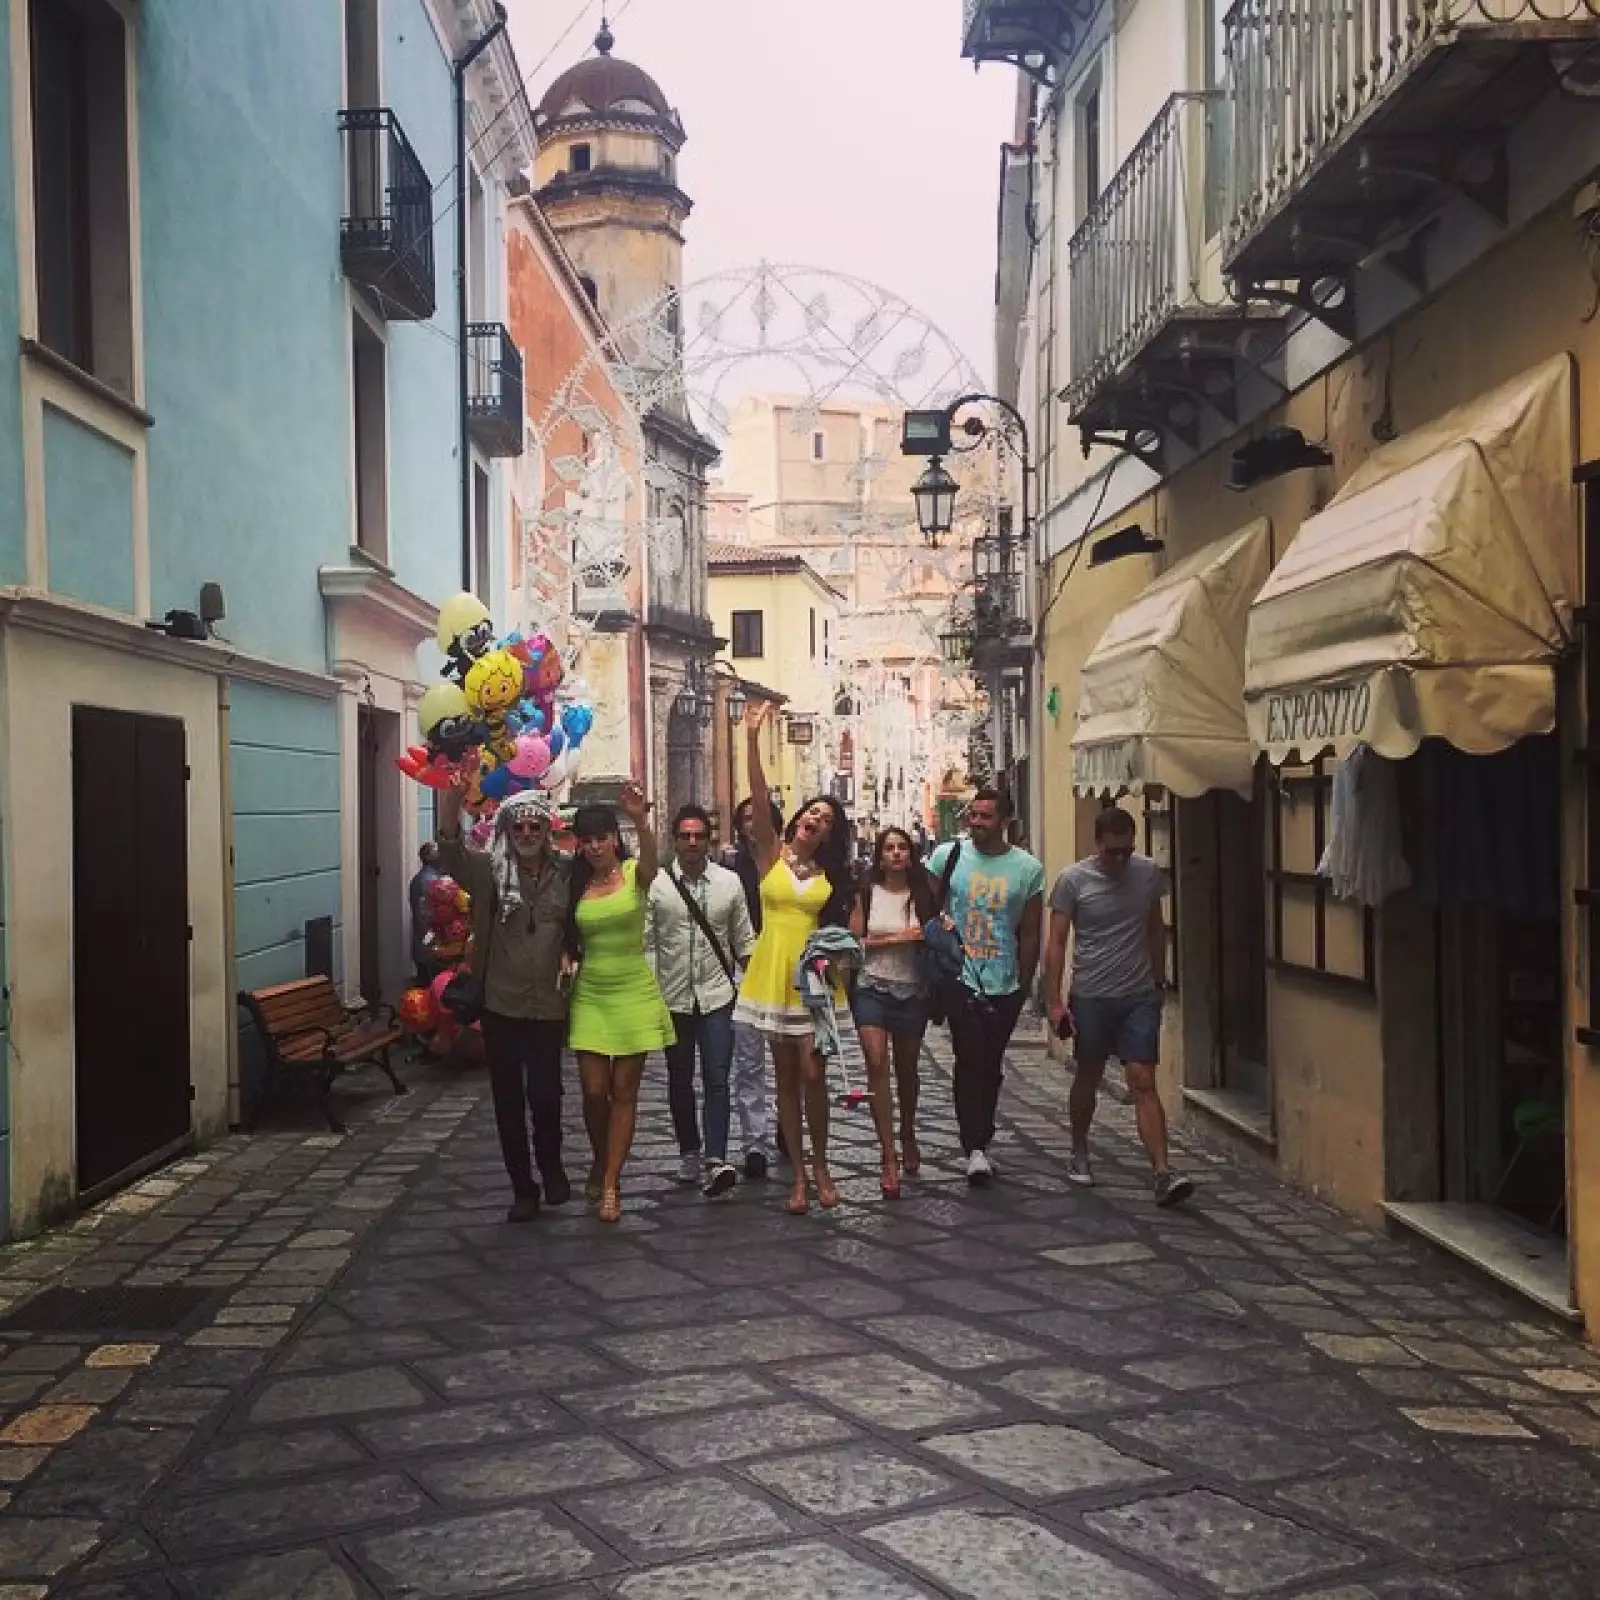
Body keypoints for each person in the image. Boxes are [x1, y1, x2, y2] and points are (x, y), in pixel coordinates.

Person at [732, 700, 855, 1214]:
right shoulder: (769, 857)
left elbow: (843, 932)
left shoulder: (831, 878)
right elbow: (759, 801)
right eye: (810, 813)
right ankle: (799, 1177)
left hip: (813, 976)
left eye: (823, 819)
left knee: (813, 1075)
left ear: (829, 834)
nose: (813, 819)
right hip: (772, 971)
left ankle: (823, 1162)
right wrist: (753, 740)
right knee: (784, 1077)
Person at [1044, 805, 1195, 1208]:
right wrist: (1054, 1001)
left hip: (1138, 995)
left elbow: (1154, 926)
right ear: (1098, 844)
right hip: (1091, 995)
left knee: (1142, 1078)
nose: (1120, 859)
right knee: (1089, 1074)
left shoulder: (1147, 874)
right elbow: (1056, 942)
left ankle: (1163, 1172)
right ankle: (1079, 1148)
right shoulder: (1073, 882)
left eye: (1126, 850)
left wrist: (1160, 979)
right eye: (1113, 852)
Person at [435, 788, 571, 1223]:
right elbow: (452, 851)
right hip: (501, 1005)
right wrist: (452, 795)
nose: (527, 833)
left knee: (547, 1095)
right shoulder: (489, 872)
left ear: (547, 829)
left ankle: (551, 1167)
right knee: (508, 1100)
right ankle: (522, 1188)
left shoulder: (567, 872)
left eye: (535, 825)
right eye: (519, 827)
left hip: (549, 1005)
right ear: (507, 831)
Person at [565, 785, 675, 1224]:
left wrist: (642, 821)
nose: (593, 847)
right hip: (590, 991)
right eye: (586, 840)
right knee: (594, 1093)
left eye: (601, 837)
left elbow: (653, 862)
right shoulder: (575, 882)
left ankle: (611, 1182)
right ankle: (600, 1157)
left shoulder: (634, 874)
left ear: (615, 838)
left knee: (623, 1093)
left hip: (633, 990)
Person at [928, 788, 1044, 1185]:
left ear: (1005, 820)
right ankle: (974, 1145)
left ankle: (982, 1135)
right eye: (972, 815)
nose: (976, 823)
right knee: (970, 1056)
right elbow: (925, 902)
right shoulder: (949, 856)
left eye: (985, 817)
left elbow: (1031, 931)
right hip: (960, 976)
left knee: (991, 1064)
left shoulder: (1027, 869)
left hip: (1004, 981)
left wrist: (1025, 982)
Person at [648, 803, 757, 1199]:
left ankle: (716, 1158)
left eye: (699, 835)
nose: (692, 842)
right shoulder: (658, 885)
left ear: (708, 839)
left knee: (717, 1078)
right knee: (679, 1080)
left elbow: (744, 940)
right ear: (674, 840)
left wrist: (760, 986)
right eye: (685, 835)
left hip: (717, 996)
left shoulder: (729, 883)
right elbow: (647, 944)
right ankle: (689, 1151)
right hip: (672, 996)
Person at [847, 827, 938, 1197]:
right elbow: (855, 943)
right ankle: (888, 1156)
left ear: (911, 854)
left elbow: (933, 933)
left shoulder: (923, 893)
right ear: (880, 855)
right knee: (876, 1063)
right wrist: (899, 937)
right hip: (872, 987)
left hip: (912, 990)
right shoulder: (867, 892)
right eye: (890, 848)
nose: (897, 853)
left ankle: (908, 1131)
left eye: (902, 848)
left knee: (907, 1071)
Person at [728, 793, 784, 1178]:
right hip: (745, 970)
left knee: (788, 1061)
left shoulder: (787, 864)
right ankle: (754, 1142)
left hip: (782, 971)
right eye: (745, 817)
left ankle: (786, 1127)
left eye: (758, 816)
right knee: (748, 1063)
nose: (752, 823)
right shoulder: (729, 868)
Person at [409, 842, 442, 983]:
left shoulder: (421, 879)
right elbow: (426, 917)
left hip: (425, 945)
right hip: (430, 948)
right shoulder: (429, 881)